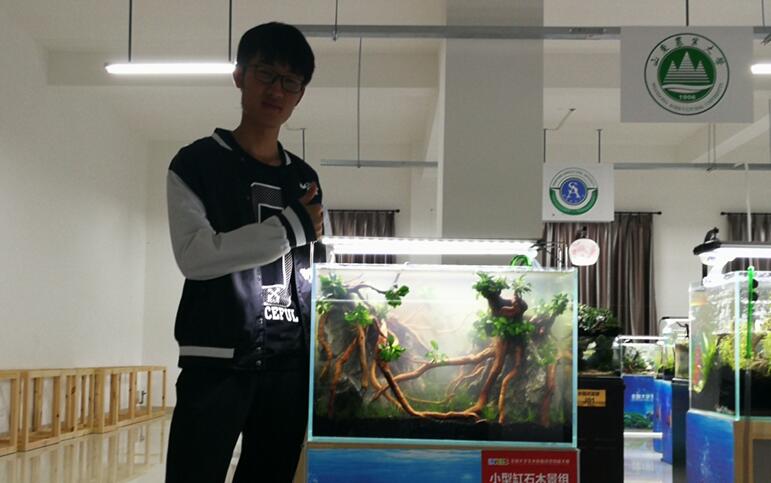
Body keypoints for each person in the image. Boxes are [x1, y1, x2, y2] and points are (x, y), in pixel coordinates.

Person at [165, 22, 325, 482]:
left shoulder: (304, 178)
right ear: (239, 75)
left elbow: (311, 272)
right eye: (265, 73)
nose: (277, 90)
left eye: (290, 81)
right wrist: (289, 227)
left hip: (289, 367)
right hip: (215, 359)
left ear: (300, 95)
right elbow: (195, 255)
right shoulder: (196, 163)